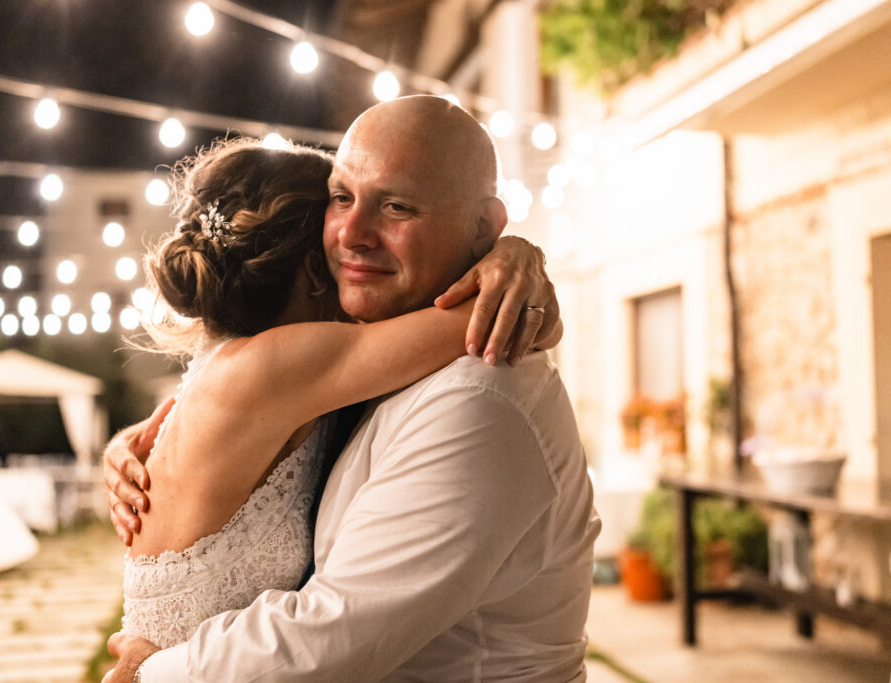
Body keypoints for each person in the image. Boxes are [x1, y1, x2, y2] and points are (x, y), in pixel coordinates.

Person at [105, 96, 598, 682]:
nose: (353, 234)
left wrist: (154, 674)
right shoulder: (340, 367)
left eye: (397, 206)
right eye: (341, 199)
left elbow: (332, 637)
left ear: (482, 227)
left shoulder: (478, 393)